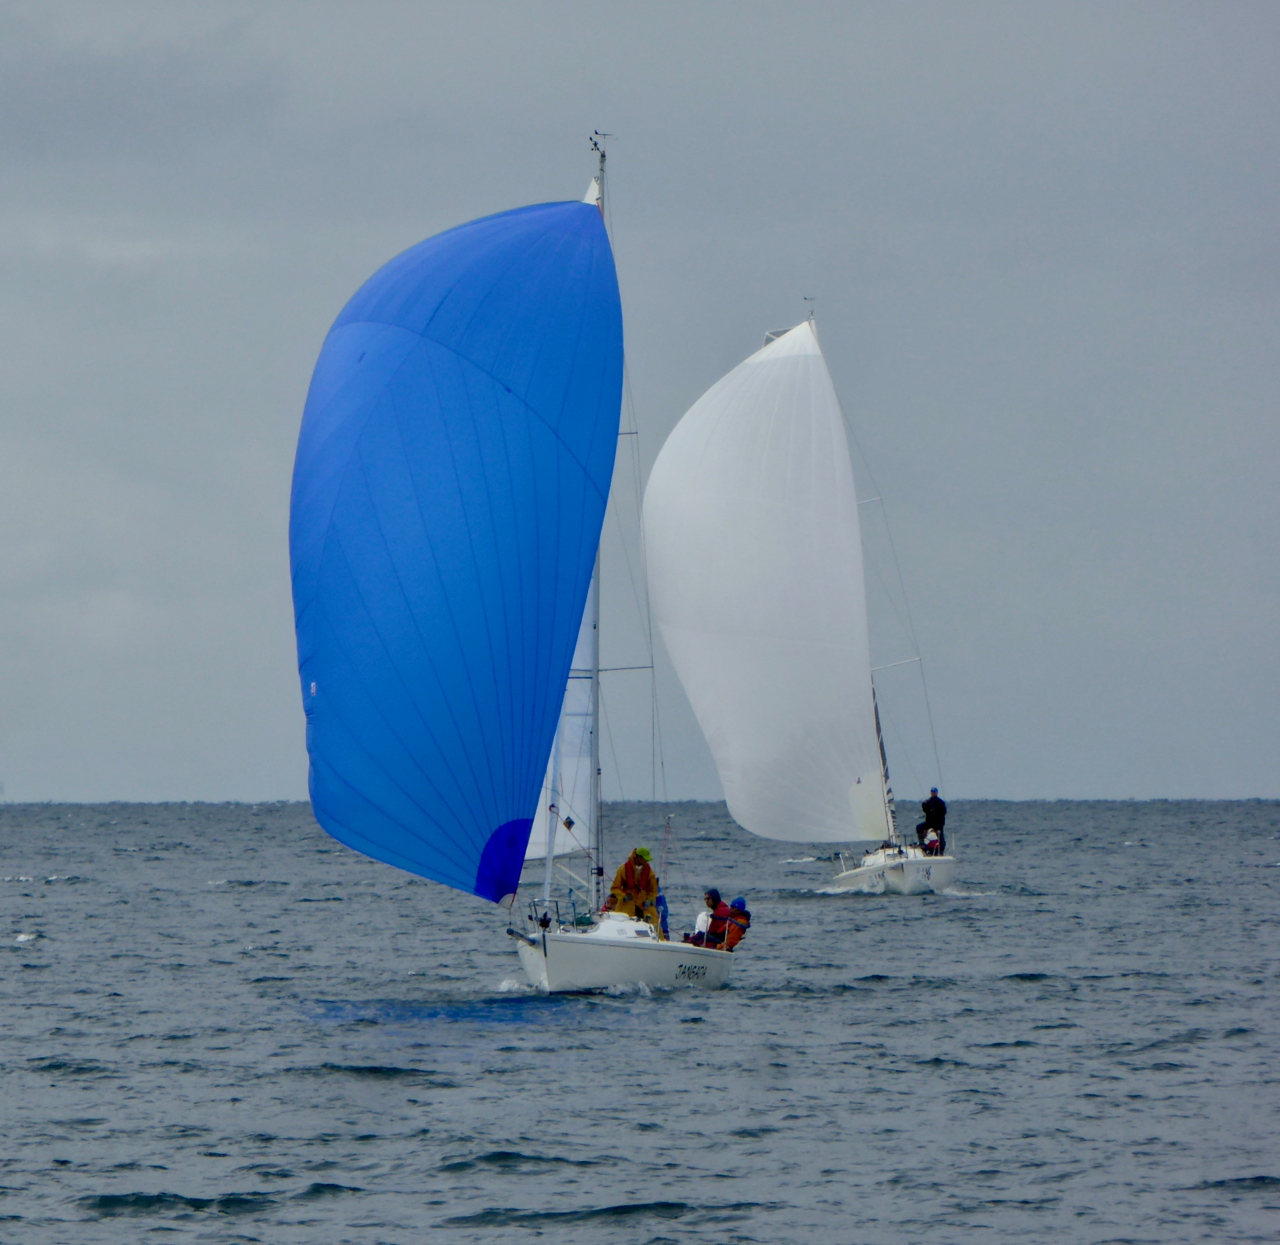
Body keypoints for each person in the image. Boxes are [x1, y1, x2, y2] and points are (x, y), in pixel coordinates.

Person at [604, 847, 663, 937]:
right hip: (627, 904)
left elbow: (653, 890)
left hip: (643, 905)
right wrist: (624, 896)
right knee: (621, 921)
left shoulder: (650, 873)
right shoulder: (623, 869)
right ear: (639, 857)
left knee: (654, 921)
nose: (646, 861)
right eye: (645, 859)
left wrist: (650, 900)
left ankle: (658, 939)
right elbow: (615, 888)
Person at [916, 787, 947, 854]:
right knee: (919, 827)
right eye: (932, 792)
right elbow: (925, 809)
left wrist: (936, 814)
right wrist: (925, 806)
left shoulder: (940, 802)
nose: (933, 793)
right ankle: (922, 843)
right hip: (929, 823)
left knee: (940, 836)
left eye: (934, 792)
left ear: (937, 793)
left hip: (938, 824)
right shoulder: (928, 801)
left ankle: (941, 850)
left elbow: (943, 812)